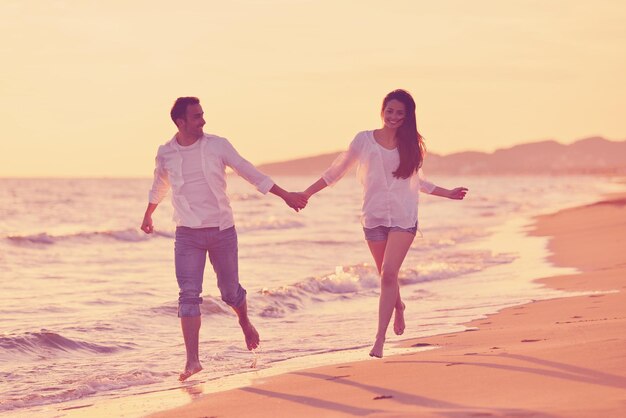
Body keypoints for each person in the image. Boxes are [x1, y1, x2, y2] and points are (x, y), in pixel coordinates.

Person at [141, 97, 308, 381]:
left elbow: (250, 172)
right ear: (180, 122)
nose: (203, 120)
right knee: (188, 295)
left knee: (230, 292)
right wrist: (148, 214)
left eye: (202, 114)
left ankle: (244, 321)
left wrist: (286, 196)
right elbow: (160, 183)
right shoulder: (165, 152)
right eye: (196, 117)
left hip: (221, 231)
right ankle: (192, 361)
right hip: (187, 234)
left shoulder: (218, 145)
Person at [301, 89, 467, 358]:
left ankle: (379, 339)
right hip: (374, 217)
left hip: (404, 216)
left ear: (407, 116)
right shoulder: (363, 140)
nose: (393, 116)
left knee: (389, 273)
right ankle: (398, 307)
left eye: (400, 113)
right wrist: (306, 193)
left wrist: (446, 192)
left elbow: (418, 181)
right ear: (382, 111)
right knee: (386, 275)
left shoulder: (411, 146)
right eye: (390, 111)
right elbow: (336, 171)